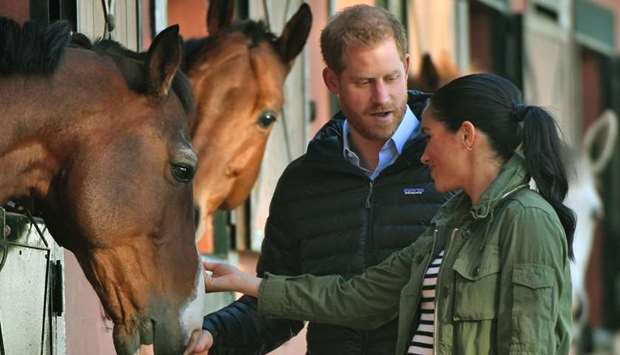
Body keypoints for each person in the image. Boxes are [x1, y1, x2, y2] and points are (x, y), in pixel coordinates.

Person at [200, 73, 575, 355]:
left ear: (467, 135)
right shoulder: (451, 224)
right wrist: (248, 283)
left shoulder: (527, 219)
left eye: (428, 137)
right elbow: (358, 297)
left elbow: (530, 347)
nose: (423, 155)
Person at [184, 5, 448, 355]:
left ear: (408, 67)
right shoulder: (303, 183)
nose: (382, 97)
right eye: (364, 82)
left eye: (391, 77)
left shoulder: (449, 166)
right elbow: (276, 309)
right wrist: (215, 335)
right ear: (331, 81)